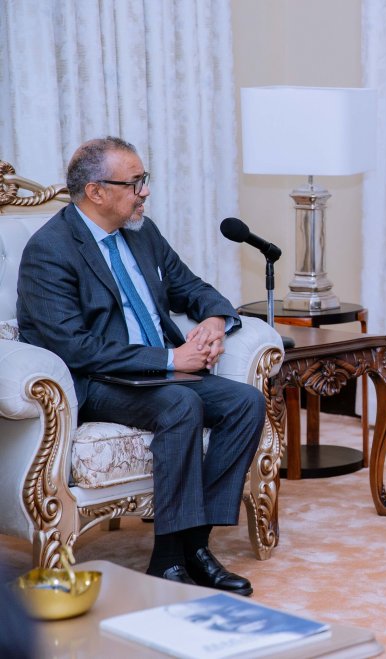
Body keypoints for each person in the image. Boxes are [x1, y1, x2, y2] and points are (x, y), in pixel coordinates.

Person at [16, 137, 265, 596]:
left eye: (143, 180)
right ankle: (167, 560)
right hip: (93, 381)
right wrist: (172, 358)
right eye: (135, 183)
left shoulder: (141, 232)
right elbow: (74, 346)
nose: (144, 192)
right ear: (96, 192)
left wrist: (212, 320)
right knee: (180, 405)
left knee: (245, 402)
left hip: (157, 371)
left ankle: (196, 544)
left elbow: (192, 287)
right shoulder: (49, 250)